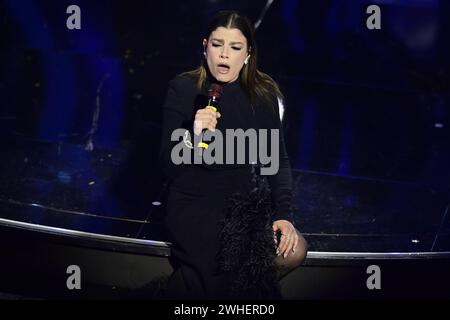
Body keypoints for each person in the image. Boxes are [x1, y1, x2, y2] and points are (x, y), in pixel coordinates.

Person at [158, 10, 307, 300]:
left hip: (241, 205)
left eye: (235, 47)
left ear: (248, 54)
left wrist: (283, 216)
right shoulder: (184, 88)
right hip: (194, 205)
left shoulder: (262, 94)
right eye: (217, 45)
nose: (224, 55)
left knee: (295, 248)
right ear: (205, 47)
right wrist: (193, 136)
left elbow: (277, 161)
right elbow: (168, 166)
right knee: (228, 263)